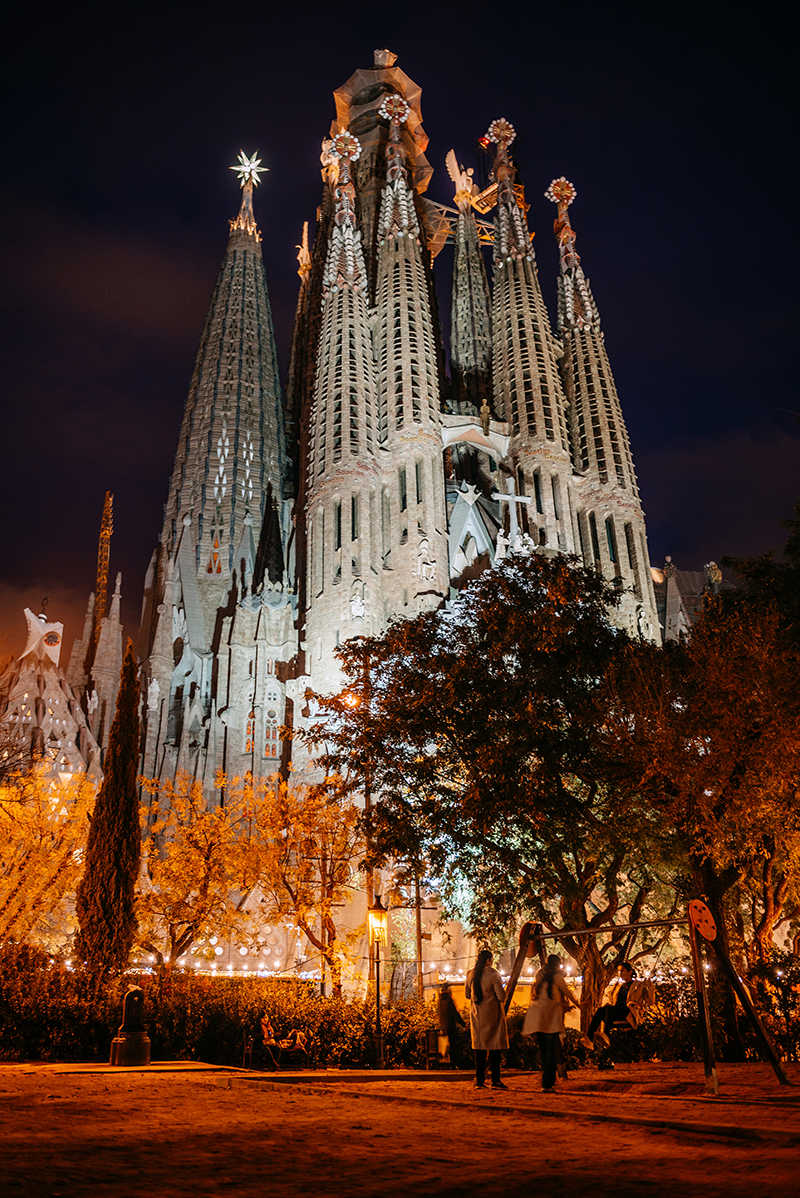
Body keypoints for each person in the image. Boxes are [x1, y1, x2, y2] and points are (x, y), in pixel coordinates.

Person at [522, 954, 579, 1091]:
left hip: (537, 1019)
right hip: (550, 1020)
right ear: (558, 965)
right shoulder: (558, 978)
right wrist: (581, 1005)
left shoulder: (539, 976)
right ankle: (547, 1084)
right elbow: (568, 994)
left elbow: (549, 997)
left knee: (544, 1052)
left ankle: (546, 1080)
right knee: (552, 1052)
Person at [465, 949, 509, 1090]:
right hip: (492, 1016)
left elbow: (467, 994)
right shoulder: (494, 974)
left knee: (480, 1050)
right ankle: (495, 1081)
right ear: (489, 960)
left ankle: (479, 1081)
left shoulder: (470, 974)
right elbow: (501, 996)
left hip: (477, 1016)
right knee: (495, 1049)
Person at [580, 961, 636, 1050]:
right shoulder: (619, 986)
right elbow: (613, 999)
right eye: (619, 972)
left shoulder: (636, 985)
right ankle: (589, 1039)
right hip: (617, 1010)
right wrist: (614, 988)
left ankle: (606, 1034)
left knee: (608, 1009)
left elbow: (649, 999)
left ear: (630, 972)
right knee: (601, 1010)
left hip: (627, 1010)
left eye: (623, 971)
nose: (620, 974)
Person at [437, 983, 465, 1068]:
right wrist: (463, 1023)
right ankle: (453, 1063)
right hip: (450, 1026)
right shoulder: (449, 1000)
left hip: (444, 1026)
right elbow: (454, 1014)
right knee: (453, 1045)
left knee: (447, 1045)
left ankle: (447, 1063)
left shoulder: (440, 1001)